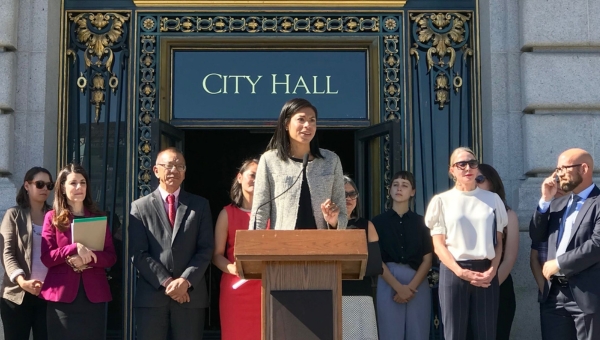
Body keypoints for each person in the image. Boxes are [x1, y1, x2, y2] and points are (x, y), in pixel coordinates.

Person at [129, 147, 214, 340]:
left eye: (179, 166)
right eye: (169, 165)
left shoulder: (200, 205)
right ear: (156, 170)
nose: (174, 170)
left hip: (190, 297)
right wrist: (168, 283)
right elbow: (138, 253)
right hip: (152, 297)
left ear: (184, 173)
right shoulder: (139, 207)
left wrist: (185, 281)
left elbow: (206, 249)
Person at [424, 147, 507, 340]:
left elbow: (499, 243)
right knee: (454, 334)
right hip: (454, 272)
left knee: (486, 333)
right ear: (451, 170)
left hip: (486, 271)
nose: (468, 167)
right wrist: (460, 272)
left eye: (472, 163)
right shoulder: (441, 201)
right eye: (461, 164)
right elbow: (438, 245)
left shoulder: (493, 200)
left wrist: (492, 271)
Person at [529, 148, 600, 340]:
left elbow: (597, 245)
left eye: (564, 168)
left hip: (587, 296)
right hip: (554, 296)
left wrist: (559, 263)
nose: (558, 174)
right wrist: (545, 200)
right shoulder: (557, 204)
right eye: (557, 169)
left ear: (584, 169)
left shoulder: (598, 203)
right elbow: (537, 234)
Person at [40, 163, 116, 340]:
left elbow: (111, 257)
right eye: (73, 183)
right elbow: (47, 258)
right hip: (62, 297)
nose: (79, 187)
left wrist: (88, 258)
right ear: (63, 188)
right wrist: (74, 248)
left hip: (93, 297)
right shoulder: (52, 217)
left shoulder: (98, 217)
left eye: (82, 182)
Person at [249, 98, 347, 230]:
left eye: (312, 120)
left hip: (322, 246)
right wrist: (254, 245)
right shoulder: (269, 160)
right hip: (283, 245)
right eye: (301, 119)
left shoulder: (331, 160)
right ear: (286, 124)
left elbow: (341, 212)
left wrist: (334, 221)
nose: (307, 125)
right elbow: (260, 212)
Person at [373, 171, 432, 340]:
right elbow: (377, 259)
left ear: (412, 191)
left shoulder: (422, 223)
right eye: (395, 184)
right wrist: (399, 288)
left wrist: (410, 288)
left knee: (418, 332)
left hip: (417, 281)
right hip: (388, 280)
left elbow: (427, 260)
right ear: (390, 189)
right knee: (389, 332)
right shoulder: (377, 222)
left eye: (405, 185)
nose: (399, 188)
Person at [0, 167, 53, 340]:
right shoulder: (13, 215)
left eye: (49, 185)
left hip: (49, 294)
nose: (45, 188)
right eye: (39, 184)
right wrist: (22, 281)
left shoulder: (56, 216)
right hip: (16, 294)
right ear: (27, 186)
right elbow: (7, 253)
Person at [213, 158, 262, 340]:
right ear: (240, 177)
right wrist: (233, 269)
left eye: (261, 176)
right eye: (252, 175)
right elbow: (216, 255)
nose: (256, 180)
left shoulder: (276, 213)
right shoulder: (227, 213)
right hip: (236, 286)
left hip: (266, 286)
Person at [470, 164, 520, 340]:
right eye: (472, 178)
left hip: (498, 286)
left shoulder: (508, 214)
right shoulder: (460, 213)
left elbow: (510, 257)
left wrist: (490, 286)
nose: (475, 182)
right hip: (467, 286)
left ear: (493, 183)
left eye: (480, 179)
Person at [341, 176, 380, 340]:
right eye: (344, 194)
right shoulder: (323, 226)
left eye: (353, 194)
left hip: (360, 294)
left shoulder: (367, 225)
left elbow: (375, 265)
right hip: (333, 292)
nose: (349, 198)